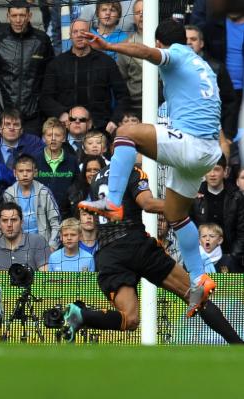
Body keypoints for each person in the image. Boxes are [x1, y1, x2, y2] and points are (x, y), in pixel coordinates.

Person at [79, 19, 223, 316]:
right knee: (176, 215)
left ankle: (112, 202)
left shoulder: (177, 55)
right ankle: (199, 279)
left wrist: (109, 46)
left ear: (161, 42)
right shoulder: (203, 66)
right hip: (208, 151)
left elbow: (146, 53)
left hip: (191, 143)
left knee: (125, 134)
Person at [62, 164, 243, 344]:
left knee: (130, 319)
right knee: (196, 296)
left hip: (108, 254)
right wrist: (183, 202)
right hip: (135, 245)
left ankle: (82, 315)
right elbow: (147, 203)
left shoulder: (96, 178)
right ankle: (238, 346)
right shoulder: (132, 172)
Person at [0, 1, 54, 135]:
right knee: (2, 155)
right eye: (14, 15)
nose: (18, 20)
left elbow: (51, 78)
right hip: (1, 114)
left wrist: (46, 109)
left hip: (33, 116)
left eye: (22, 15)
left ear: (29, 16)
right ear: (8, 16)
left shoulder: (42, 40)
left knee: (30, 156)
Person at [40, 19, 129, 133]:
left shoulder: (106, 62)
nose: (79, 36)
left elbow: (123, 96)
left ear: (91, 34)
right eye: (75, 32)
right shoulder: (56, 64)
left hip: (100, 128)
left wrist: (114, 120)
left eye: (83, 32)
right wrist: (62, 114)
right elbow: (45, 98)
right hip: (66, 128)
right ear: (70, 36)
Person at [185, 24, 238, 147]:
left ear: (201, 43)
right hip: (182, 130)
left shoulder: (217, 68)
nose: (188, 43)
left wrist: (228, 135)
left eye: (193, 39)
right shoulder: (171, 68)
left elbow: (229, 103)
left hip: (212, 132)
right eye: (185, 39)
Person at [3, 154, 61, 250]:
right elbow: (3, 225)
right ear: (14, 173)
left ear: (35, 172)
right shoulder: (9, 194)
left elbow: (56, 222)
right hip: (17, 247)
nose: (25, 174)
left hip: (43, 246)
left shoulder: (44, 192)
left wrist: (52, 245)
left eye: (28, 171)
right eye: (21, 171)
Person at [0, 202, 50, 271]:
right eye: (5, 220)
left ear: (21, 222)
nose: (9, 224)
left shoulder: (38, 241)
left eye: (13, 220)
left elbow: (45, 277)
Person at [35, 117, 79, 219]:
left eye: (57, 135)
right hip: (40, 215)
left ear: (64, 138)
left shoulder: (72, 161)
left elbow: (77, 187)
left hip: (66, 215)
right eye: (49, 135)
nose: (53, 139)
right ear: (44, 138)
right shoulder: (35, 160)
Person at [67, 155, 106, 221]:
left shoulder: (111, 193)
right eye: (88, 170)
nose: (92, 173)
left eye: (96, 170)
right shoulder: (75, 192)